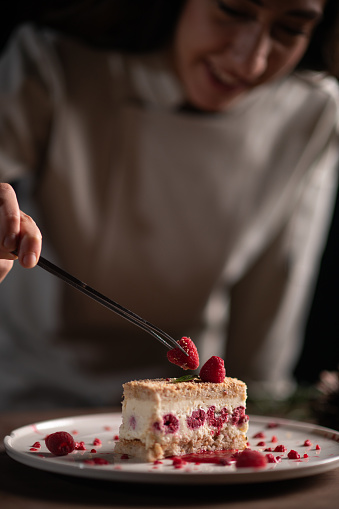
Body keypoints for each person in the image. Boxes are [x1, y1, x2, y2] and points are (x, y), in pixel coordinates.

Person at [0, 0, 338, 410]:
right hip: (31, 397)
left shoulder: (313, 110)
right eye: (232, 10)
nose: (250, 61)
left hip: (187, 404)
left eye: (289, 29)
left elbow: (277, 283)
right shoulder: (54, 61)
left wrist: (259, 412)